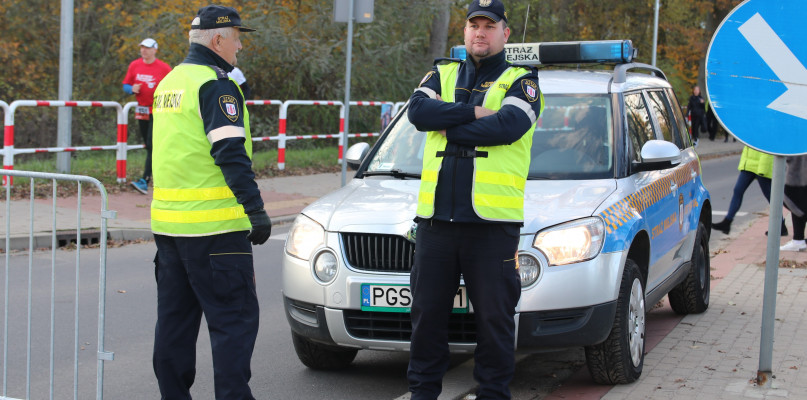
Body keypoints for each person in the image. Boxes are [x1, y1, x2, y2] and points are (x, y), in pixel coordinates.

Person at [405, 0, 543, 398]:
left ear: (505, 33)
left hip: (491, 228)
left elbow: (509, 125)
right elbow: (417, 112)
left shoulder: (522, 81)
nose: (480, 32)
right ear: (464, 31)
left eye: (489, 25)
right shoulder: (442, 72)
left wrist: (450, 125)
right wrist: (475, 113)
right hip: (435, 225)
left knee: (494, 323)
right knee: (427, 320)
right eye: (473, 25)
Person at [150, 5, 271, 399]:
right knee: (233, 325)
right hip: (216, 231)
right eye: (237, 37)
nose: (239, 46)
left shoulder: (170, 82)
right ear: (218, 40)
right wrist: (255, 209)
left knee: (174, 326)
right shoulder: (214, 84)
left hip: (169, 229)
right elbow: (230, 153)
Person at [122, 37, 172, 194]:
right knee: (148, 146)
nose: (144, 50)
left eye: (148, 48)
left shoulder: (164, 68)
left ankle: (145, 180)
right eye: (142, 47)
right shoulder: (134, 65)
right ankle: (161, 175)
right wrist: (131, 89)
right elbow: (125, 85)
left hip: (158, 110)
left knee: (152, 144)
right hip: (142, 110)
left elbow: (173, 86)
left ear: (155, 50)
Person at [713, 146, 786, 236]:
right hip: (749, 164)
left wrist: (763, 168)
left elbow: (768, 145)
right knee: (738, 190)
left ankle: (781, 226)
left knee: (770, 196)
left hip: (762, 165)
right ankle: (727, 222)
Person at [781, 155, 807, 251]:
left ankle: (798, 240)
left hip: (797, 174)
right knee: (797, 203)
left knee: (790, 201)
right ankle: (798, 240)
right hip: (799, 170)